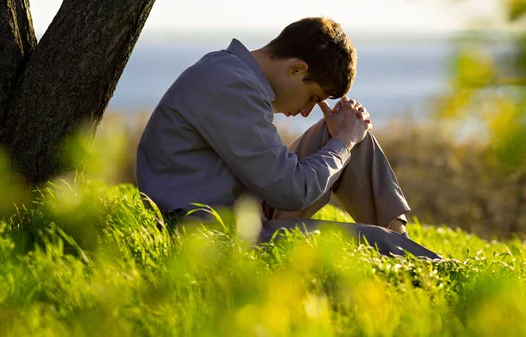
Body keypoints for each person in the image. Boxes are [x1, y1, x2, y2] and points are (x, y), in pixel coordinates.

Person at [136, 17, 440, 259]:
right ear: (296, 69)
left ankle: (404, 248)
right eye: (313, 97)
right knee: (374, 240)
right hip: (214, 237)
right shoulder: (231, 86)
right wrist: (342, 143)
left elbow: (277, 180)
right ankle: (433, 267)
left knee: (350, 137)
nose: (308, 111)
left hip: (246, 208)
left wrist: (345, 138)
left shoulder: (232, 73)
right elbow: (292, 190)